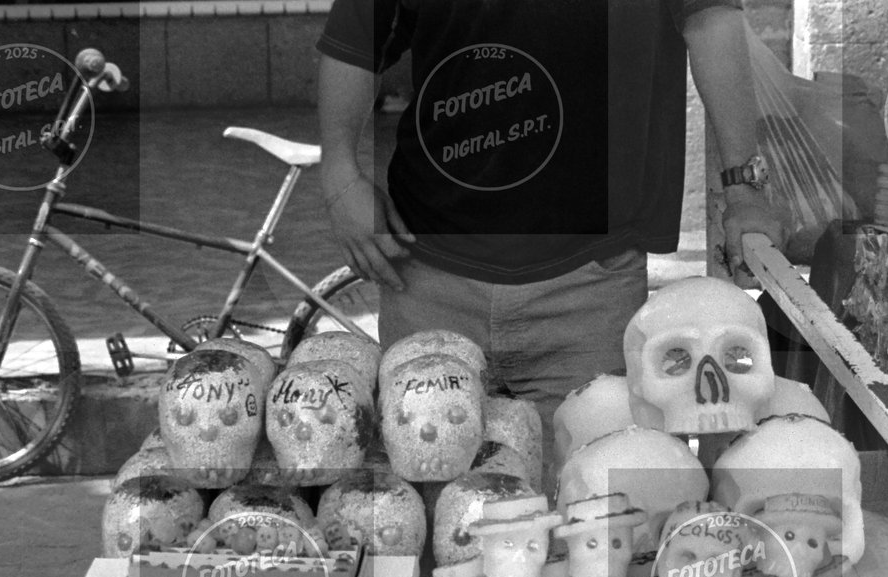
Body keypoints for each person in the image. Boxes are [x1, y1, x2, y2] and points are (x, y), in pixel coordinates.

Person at [316, 0, 785, 488]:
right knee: (430, 521)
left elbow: (709, 18)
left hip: (587, 292)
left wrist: (744, 188)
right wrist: (339, 177)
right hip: (428, 278)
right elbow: (357, 32)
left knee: (602, 521)